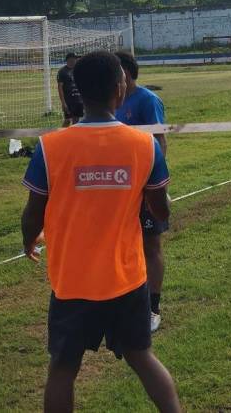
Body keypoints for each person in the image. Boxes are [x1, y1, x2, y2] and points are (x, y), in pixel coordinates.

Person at [20, 51, 181, 412]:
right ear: (120, 89)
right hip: (125, 278)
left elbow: (33, 213)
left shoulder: (51, 146)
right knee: (142, 358)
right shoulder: (144, 145)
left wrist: (28, 240)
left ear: (77, 91)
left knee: (63, 368)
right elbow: (161, 209)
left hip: (72, 281)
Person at [115, 51, 168, 334]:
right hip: (118, 188)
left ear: (128, 73)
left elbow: (160, 142)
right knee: (121, 246)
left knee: (151, 245)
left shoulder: (147, 100)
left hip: (145, 186)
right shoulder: (110, 103)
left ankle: (153, 307)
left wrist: (160, 186)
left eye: (118, 70)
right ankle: (126, 302)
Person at [57, 53, 84, 127]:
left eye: (76, 59)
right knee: (67, 120)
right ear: (69, 60)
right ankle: (61, 134)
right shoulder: (62, 71)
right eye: (75, 58)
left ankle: (73, 136)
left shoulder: (78, 70)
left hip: (78, 99)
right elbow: (60, 87)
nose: (76, 60)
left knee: (76, 120)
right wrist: (63, 103)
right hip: (69, 100)